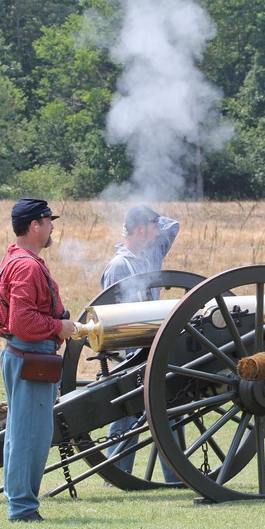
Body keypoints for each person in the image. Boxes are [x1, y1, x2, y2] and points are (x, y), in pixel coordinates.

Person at [0, 199, 76, 522]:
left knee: (21, 433)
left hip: (23, 354)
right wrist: (61, 327)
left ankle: (20, 502)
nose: (52, 226)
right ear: (34, 226)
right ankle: (24, 509)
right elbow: (23, 321)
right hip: (31, 355)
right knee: (31, 436)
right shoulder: (27, 266)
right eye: (47, 220)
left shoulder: (17, 258)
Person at [100, 204, 180, 481]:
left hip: (153, 345)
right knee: (127, 414)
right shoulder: (119, 266)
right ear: (140, 230)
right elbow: (110, 314)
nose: (159, 232)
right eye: (151, 227)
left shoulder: (150, 254)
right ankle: (117, 473)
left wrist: (144, 213)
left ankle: (174, 475)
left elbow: (173, 226)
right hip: (129, 350)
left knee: (166, 408)